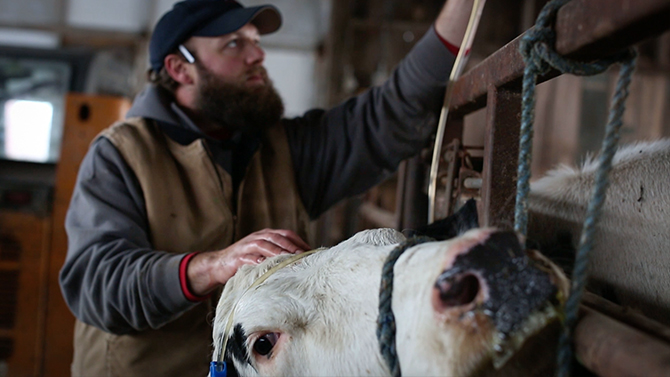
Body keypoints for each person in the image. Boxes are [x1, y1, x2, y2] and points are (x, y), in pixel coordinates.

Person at [59, 0, 475, 375]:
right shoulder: (121, 156)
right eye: (233, 45)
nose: (257, 55)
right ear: (179, 68)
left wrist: (464, 7)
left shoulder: (281, 147)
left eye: (255, 41)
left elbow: (388, 114)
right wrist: (211, 266)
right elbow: (96, 284)